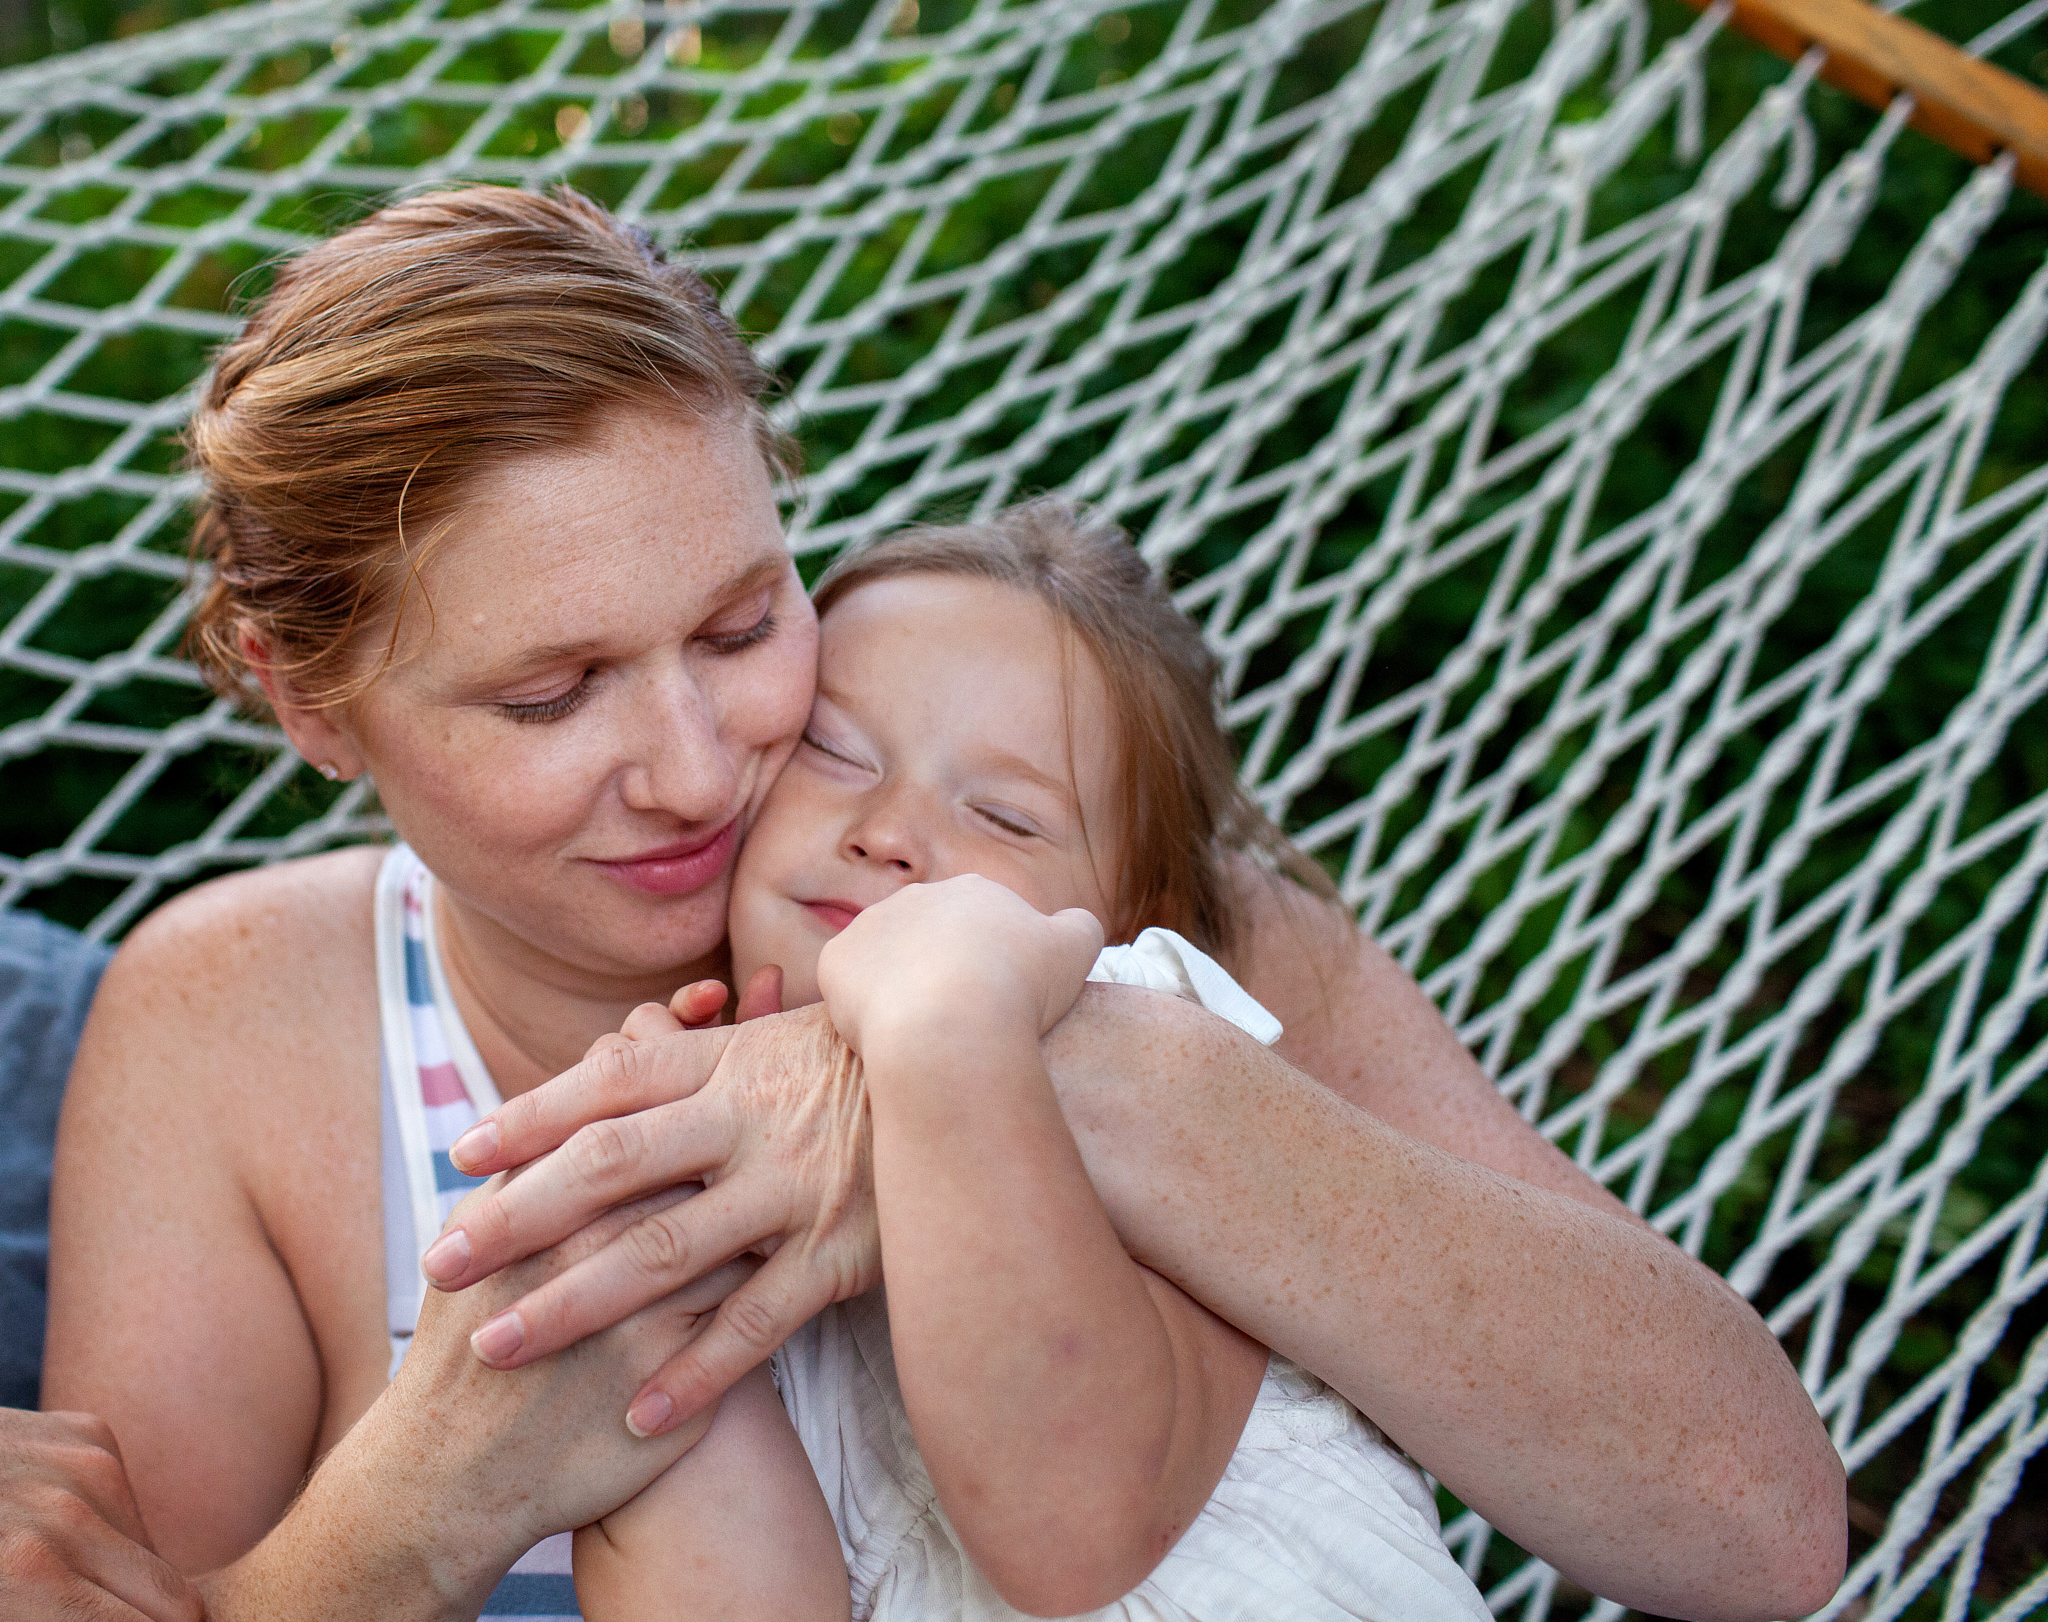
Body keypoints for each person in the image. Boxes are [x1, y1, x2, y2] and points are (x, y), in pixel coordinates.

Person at [33, 183, 1843, 1622]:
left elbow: (1756, 1528)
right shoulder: (238, 1026)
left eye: (746, 627)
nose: (695, 761)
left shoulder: (1112, 889)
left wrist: (1071, 1066)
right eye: (547, 695)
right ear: (302, 697)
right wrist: (445, 1484)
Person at [576, 503, 1495, 1621]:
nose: (888, 827)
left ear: (1123, 922)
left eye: (1004, 816)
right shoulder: (696, 1161)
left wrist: (941, 1018)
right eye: (834, 750)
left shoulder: (1140, 1053)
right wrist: (667, 1280)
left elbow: (1070, 1525)